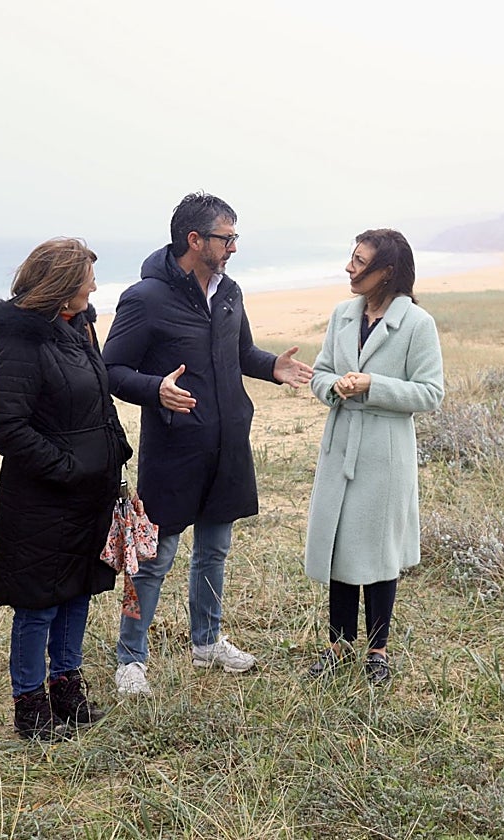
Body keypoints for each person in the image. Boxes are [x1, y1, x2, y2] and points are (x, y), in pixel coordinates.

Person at [103, 191, 314, 695]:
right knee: (155, 558)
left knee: (214, 550)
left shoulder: (230, 292)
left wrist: (271, 367)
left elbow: (239, 351)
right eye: (227, 237)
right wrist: (155, 389)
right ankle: (131, 660)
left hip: (228, 443)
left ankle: (207, 641)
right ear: (194, 240)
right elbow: (110, 369)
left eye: (236, 236)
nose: (234, 246)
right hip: (174, 448)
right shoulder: (145, 298)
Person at [0, 238, 132, 739]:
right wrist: (67, 468)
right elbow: (8, 428)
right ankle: (30, 703)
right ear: (63, 288)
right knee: (39, 601)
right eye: (87, 278)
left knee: (78, 590)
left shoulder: (80, 326)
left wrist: (117, 461)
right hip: (43, 495)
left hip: (91, 491)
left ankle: (68, 688)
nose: (94, 286)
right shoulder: (21, 339)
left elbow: (98, 404)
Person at [303, 229, 444, 684]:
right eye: (351, 258)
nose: (349, 267)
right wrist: (333, 387)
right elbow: (322, 372)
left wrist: (372, 386)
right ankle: (338, 646)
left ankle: (377, 651)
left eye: (360, 261)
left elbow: (430, 393)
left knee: (381, 550)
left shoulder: (417, 325)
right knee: (341, 545)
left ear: (386, 273)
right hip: (341, 443)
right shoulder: (342, 315)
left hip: (385, 452)